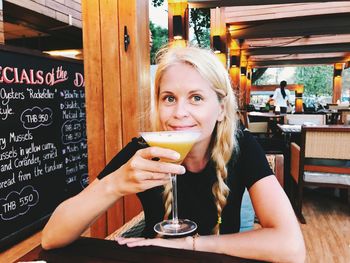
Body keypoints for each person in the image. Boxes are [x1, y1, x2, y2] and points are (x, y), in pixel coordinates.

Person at [42, 46, 305, 262]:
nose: (179, 113)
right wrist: (113, 185)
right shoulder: (143, 151)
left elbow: (292, 248)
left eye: (196, 98)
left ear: (221, 108)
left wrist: (189, 244)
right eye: (169, 98)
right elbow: (51, 237)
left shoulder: (241, 146)